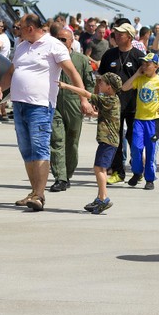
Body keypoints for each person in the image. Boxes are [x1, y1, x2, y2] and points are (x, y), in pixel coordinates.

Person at [0, 14, 90, 212]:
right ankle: (35, 192)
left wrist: (83, 98)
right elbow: (12, 72)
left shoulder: (54, 46)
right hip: (19, 105)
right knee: (27, 151)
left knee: (40, 149)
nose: (17, 30)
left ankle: (39, 195)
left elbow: (72, 73)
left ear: (30, 28)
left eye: (20, 27)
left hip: (41, 106)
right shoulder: (21, 46)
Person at [59, 72, 122, 214]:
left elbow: (86, 94)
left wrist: (66, 85)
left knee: (99, 168)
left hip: (107, 141)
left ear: (109, 87)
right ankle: (100, 197)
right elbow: (108, 116)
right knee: (100, 168)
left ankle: (103, 197)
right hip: (110, 141)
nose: (99, 84)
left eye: (102, 82)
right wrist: (94, 114)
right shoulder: (114, 99)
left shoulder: (107, 99)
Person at [98, 22, 146, 184]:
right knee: (114, 140)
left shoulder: (139, 57)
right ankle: (118, 172)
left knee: (135, 140)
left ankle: (138, 170)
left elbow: (147, 81)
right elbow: (101, 79)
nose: (117, 36)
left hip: (134, 106)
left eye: (121, 34)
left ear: (130, 37)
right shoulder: (109, 55)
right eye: (116, 33)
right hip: (113, 107)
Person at [121, 52, 159, 190]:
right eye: (143, 64)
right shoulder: (140, 79)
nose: (145, 66)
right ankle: (137, 172)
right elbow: (124, 87)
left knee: (151, 150)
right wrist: (136, 74)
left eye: (148, 64)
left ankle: (150, 178)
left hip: (153, 121)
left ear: (156, 66)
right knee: (136, 147)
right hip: (139, 120)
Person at [49, 27, 94, 192]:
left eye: (64, 40)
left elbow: (89, 83)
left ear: (71, 42)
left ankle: (67, 174)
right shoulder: (50, 57)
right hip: (54, 103)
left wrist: (88, 101)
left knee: (72, 142)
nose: (60, 42)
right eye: (58, 39)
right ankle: (60, 177)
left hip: (74, 103)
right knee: (57, 140)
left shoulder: (81, 60)